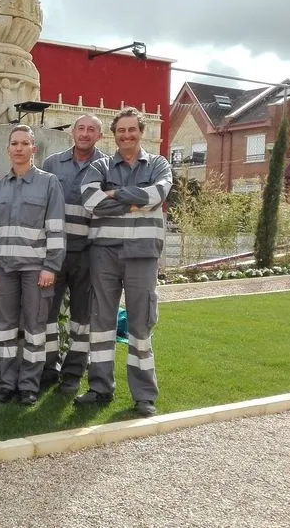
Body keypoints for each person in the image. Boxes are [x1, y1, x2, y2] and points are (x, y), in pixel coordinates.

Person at [78, 108, 172, 417]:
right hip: (104, 251)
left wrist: (114, 193)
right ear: (114, 134)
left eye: (132, 130)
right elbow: (91, 201)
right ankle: (99, 387)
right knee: (101, 321)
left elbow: (158, 194)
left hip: (142, 253)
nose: (127, 135)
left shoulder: (159, 164)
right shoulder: (100, 165)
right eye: (121, 130)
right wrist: (134, 201)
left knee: (140, 324)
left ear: (140, 132)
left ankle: (144, 395)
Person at [0, 125, 66, 406]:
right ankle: (7, 383)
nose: (18, 148)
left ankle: (29, 384)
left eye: (24, 143)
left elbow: (56, 228)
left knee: (34, 328)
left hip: (36, 270)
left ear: (34, 149)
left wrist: (51, 267)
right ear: (8, 150)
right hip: (4, 269)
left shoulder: (49, 183)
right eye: (14, 144)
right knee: (5, 328)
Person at [39, 114, 106, 393]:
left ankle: (73, 373)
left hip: (88, 254)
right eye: (81, 128)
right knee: (47, 316)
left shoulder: (108, 167)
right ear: (72, 132)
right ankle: (48, 368)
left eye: (92, 130)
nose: (85, 133)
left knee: (82, 318)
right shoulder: (52, 164)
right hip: (55, 253)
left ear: (99, 136)